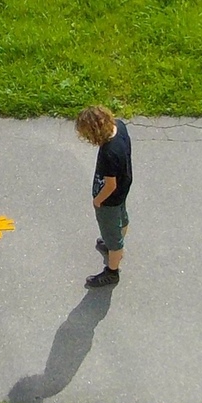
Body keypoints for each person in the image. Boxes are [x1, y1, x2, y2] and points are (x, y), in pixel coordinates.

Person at [77, 104, 130, 288]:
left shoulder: (109, 152)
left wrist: (97, 200)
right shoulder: (120, 126)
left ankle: (112, 271)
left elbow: (110, 185)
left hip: (109, 200)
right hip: (123, 189)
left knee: (112, 235)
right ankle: (114, 243)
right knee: (122, 219)